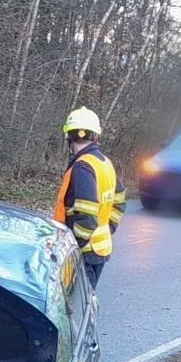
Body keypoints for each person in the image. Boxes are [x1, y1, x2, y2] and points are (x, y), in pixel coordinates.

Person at [53, 107, 125, 288]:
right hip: (97, 250)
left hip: (84, 251)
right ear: (96, 136)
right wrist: (108, 227)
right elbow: (120, 199)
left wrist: (73, 247)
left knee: (77, 308)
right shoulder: (104, 163)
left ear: (70, 136)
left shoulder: (83, 167)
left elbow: (87, 213)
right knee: (84, 302)